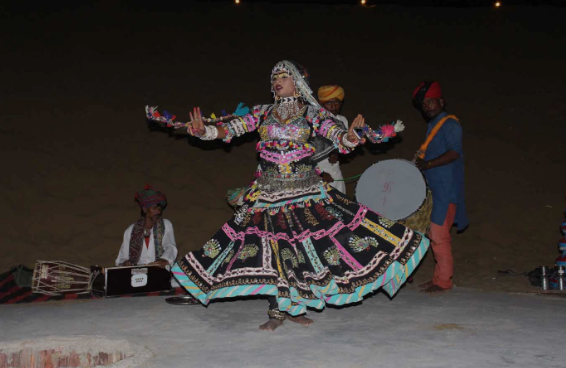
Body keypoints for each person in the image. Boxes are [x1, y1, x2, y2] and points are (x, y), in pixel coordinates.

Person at [147, 60, 429, 331]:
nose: (277, 82)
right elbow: (230, 129)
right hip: (268, 192)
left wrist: (350, 137)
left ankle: (295, 308)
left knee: (306, 250)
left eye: (283, 77)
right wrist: (205, 130)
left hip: (305, 191)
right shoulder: (262, 112)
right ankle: (276, 312)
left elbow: (338, 134)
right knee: (272, 251)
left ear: (298, 83)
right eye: (274, 78)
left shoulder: (312, 113)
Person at [412, 81, 469, 293]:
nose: (427, 106)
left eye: (431, 101)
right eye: (423, 103)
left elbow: (455, 152)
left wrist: (428, 164)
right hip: (434, 190)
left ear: (442, 101)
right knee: (433, 235)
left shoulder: (451, 125)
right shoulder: (434, 126)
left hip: (445, 191)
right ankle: (438, 278)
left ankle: (444, 281)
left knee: (438, 235)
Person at [115, 185, 178, 269]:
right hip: (137, 274)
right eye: (154, 208)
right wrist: (125, 262)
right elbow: (122, 257)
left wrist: (164, 259)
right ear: (145, 209)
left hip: (159, 271)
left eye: (159, 208)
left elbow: (171, 247)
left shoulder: (166, 224)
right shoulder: (130, 230)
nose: (158, 211)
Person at [314, 85, 349, 193]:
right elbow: (302, 154)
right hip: (315, 173)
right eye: (329, 103)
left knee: (341, 204)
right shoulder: (314, 122)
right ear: (321, 104)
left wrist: (337, 154)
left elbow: (346, 146)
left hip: (335, 172)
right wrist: (320, 174)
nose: (334, 106)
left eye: (337, 102)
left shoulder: (342, 121)